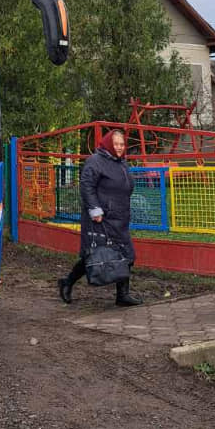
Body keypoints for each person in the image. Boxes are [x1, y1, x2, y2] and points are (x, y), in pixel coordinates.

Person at [57, 129, 142, 306]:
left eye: (122, 144)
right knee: (94, 255)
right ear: (109, 143)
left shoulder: (121, 163)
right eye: (116, 144)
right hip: (101, 218)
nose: (119, 148)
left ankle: (122, 294)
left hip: (120, 217)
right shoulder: (95, 162)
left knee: (127, 254)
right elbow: (87, 186)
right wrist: (95, 210)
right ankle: (67, 282)